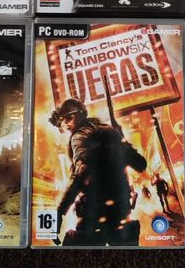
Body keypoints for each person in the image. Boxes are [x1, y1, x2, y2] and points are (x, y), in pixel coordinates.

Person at [50, 98, 147, 246]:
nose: (67, 125)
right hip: (121, 214)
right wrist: (121, 140)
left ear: (77, 115)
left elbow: (82, 171)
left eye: (68, 119)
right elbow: (140, 164)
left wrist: (60, 211)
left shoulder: (79, 136)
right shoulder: (110, 131)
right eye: (63, 122)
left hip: (93, 215)